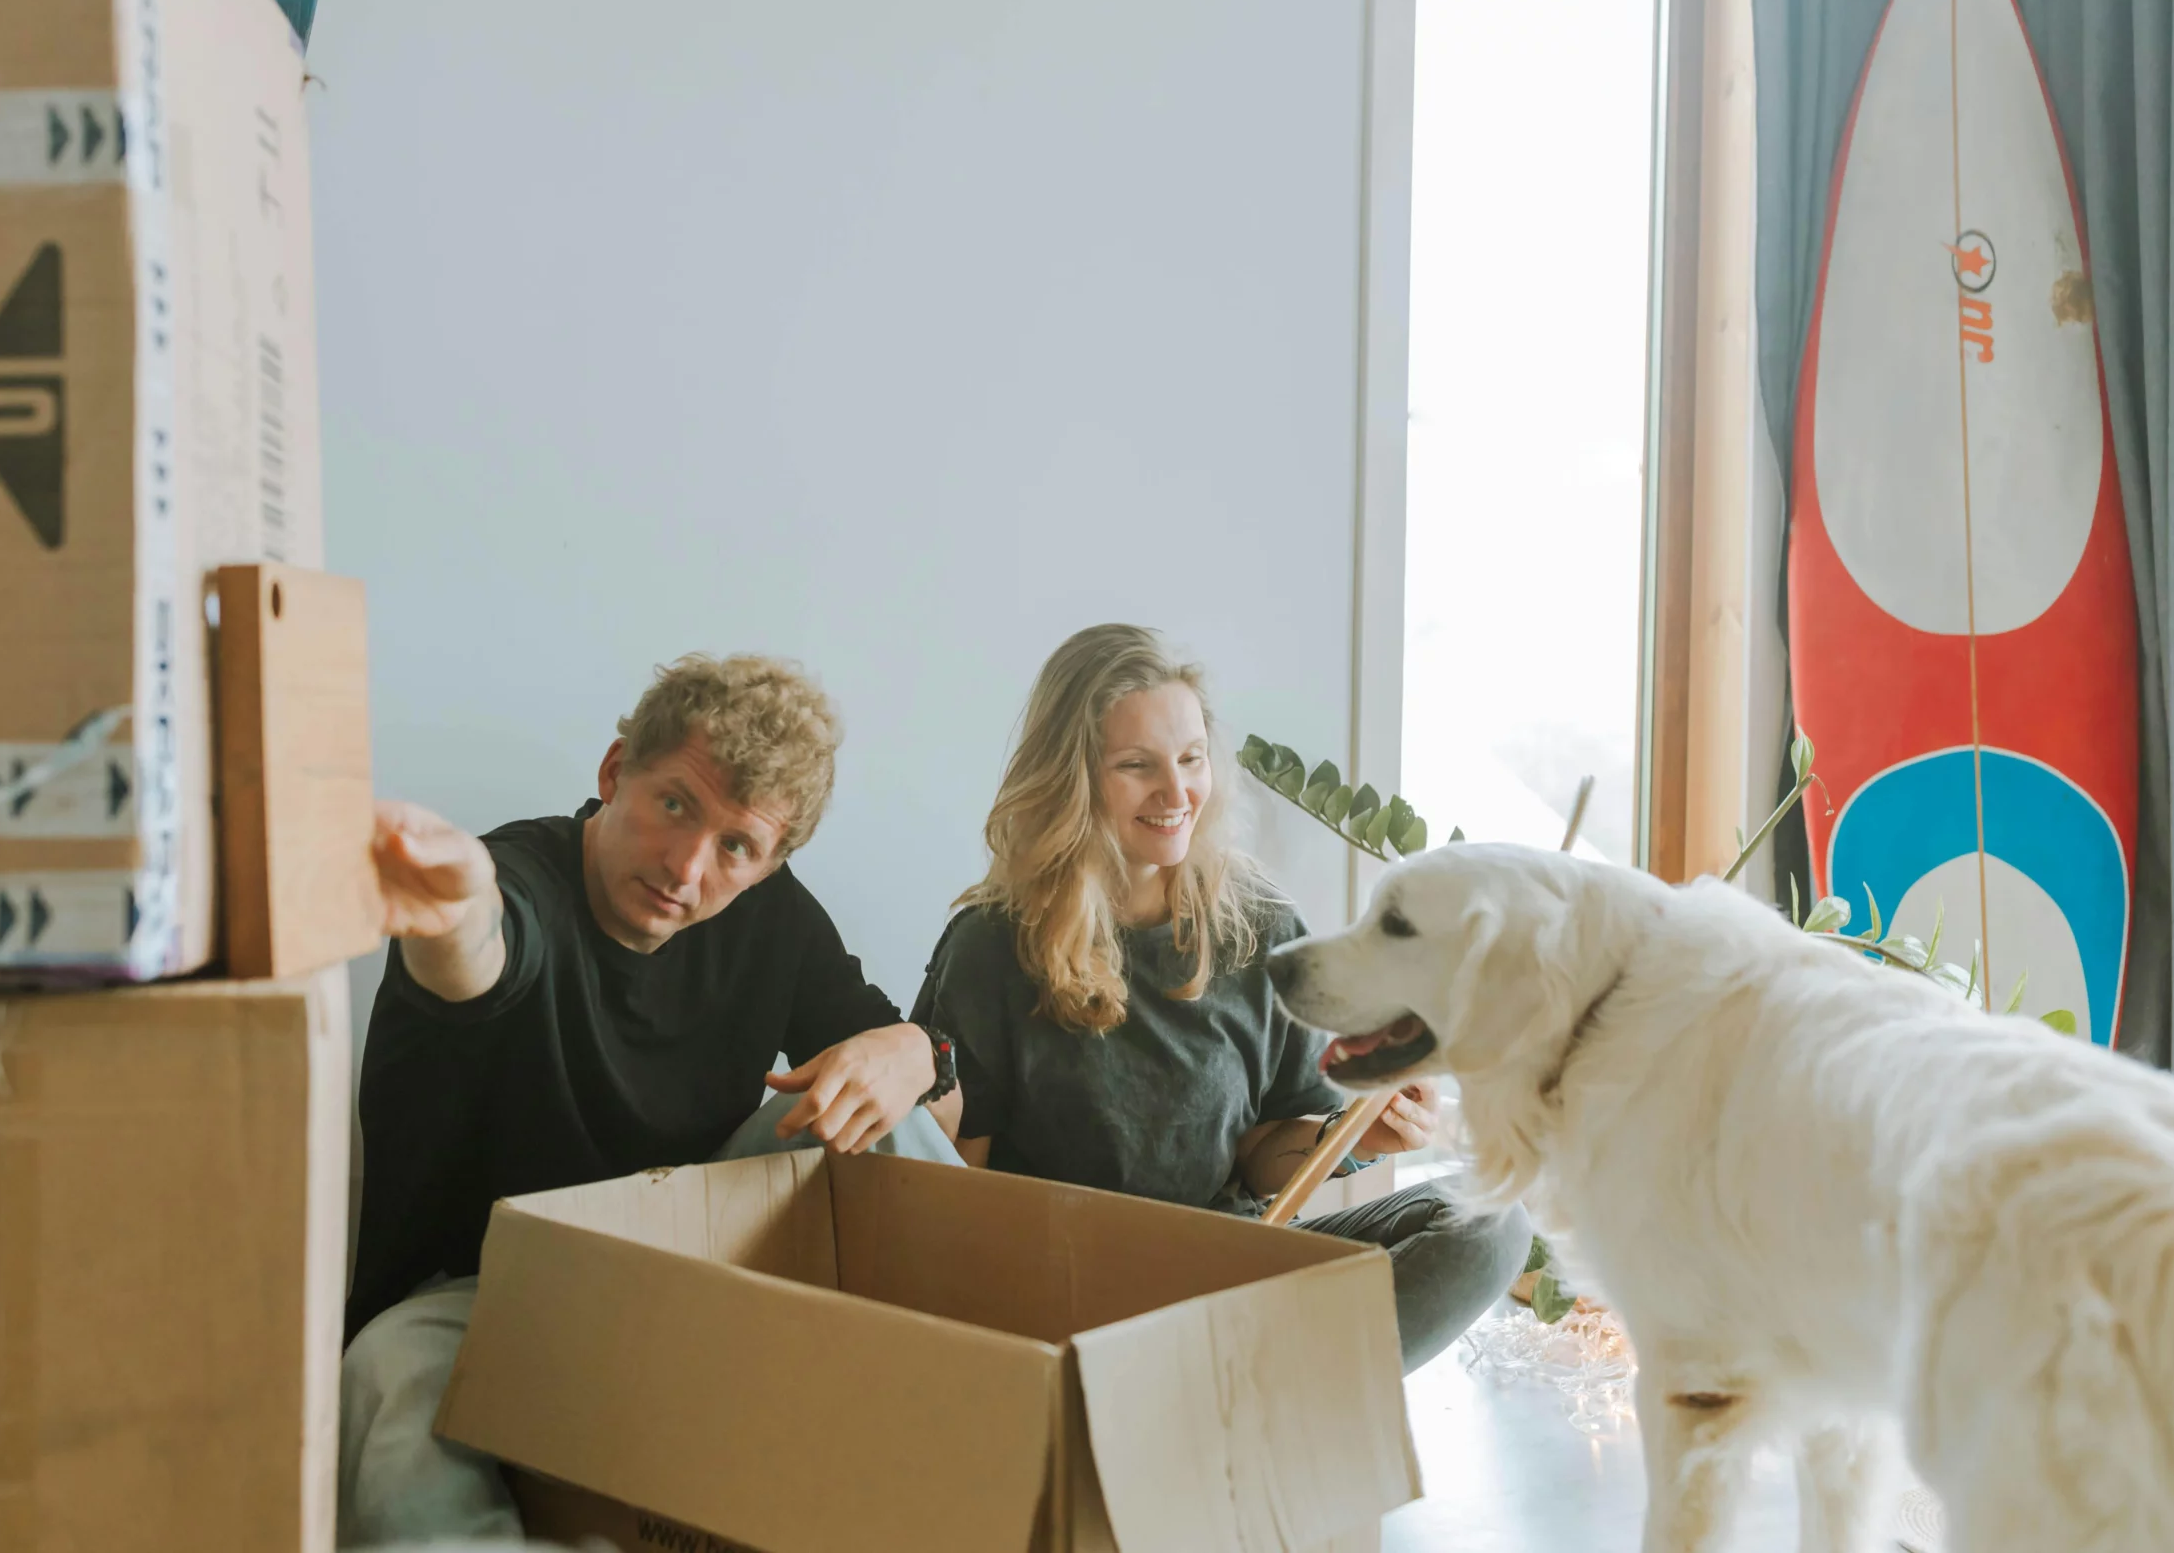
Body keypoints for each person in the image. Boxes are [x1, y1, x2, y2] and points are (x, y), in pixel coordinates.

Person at [339, 654, 965, 1548]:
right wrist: (450, 910)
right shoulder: (519, 876)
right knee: (382, 1377)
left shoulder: (770, 914)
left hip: (685, 1262)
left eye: (736, 846)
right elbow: (483, 951)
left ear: (769, 859)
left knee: (891, 1114)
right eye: (675, 804)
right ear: (613, 771)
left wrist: (914, 1048)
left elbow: (930, 1095)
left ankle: (983, 1451)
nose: (686, 864)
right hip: (495, 1286)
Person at [913, 624, 1533, 1374]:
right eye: (1137, 765)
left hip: (1231, 1276)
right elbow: (956, 1199)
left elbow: (1266, 1154)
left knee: (1487, 1225)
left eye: (1190, 758)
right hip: (1072, 1302)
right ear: (1074, 777)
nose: (1176, 794)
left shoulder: (1257, 922)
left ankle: (1253, 1396)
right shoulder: (990, 947)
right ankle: (1236, 1399)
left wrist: (1357, 1138)